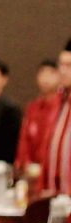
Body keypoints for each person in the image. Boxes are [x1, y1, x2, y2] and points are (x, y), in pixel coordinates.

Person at [16, 39, 71, 192]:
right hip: (52, 192)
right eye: (61, 65)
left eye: (69, 66)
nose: (63, 71)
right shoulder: (61, 104)